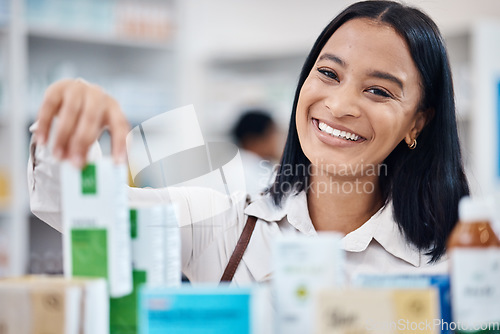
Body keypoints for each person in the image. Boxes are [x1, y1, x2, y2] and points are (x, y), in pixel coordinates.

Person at [29, 0, 469, 284]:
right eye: (329, 74)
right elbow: (65, 201)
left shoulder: (459, 260)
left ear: (418, 123)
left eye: (379, 90)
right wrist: (67, 117)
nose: (339, 105)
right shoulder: (224, 222)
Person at [231, 110, 281, 195]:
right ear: (253, 140)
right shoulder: (245, 174)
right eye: (273, 133)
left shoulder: (261, 166)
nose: (278, 140)